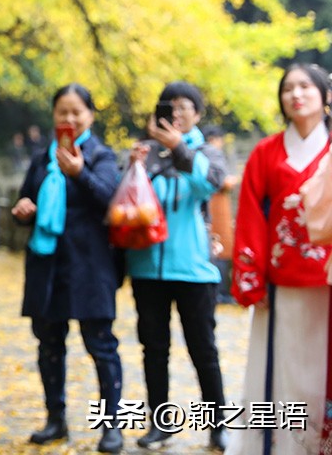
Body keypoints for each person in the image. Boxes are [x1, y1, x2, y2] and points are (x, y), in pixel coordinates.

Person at [11, 83, 123, 454]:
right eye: (63, 112)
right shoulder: (44, 157)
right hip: (48, 263)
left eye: (77, 112)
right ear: (54, 116)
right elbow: (27, 197)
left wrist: (80, 174)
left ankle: (112, 426)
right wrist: (25, 210)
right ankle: (55, 419)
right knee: (49, 346)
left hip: (91, 265)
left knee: (101, 345)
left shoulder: (101, 155)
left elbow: (112, 202)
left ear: (91, 115)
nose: (70, 119)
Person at [227, 63, 332, 455]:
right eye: (288, 88)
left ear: (325, 96)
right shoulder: (265, 152)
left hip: (328, 278)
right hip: (280, 280)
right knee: (281, 369)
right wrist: (251, 276)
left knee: (324, 370)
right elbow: (251, 215)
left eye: (306, 86)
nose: (296, 94)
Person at [125, 82, 229, 451]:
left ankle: (218, 425)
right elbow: (125, 204)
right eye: (170, 107)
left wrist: (176, 147)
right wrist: (133, 167)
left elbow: (209, 183)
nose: (178, 114)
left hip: (194, 269)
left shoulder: (206, 152)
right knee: (154, 348)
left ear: (198, 114)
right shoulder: (145, 152)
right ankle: (160, 423)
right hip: (147, 267)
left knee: (203, 348)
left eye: (185, 107)